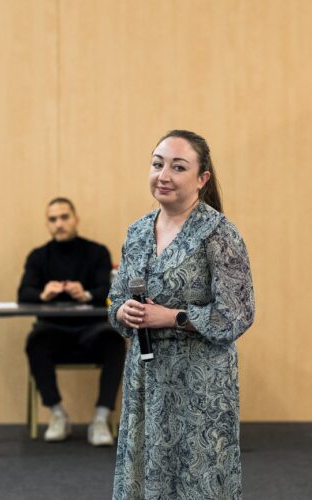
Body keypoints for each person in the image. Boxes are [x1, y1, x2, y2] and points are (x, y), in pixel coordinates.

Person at [108, 130, 255, 499]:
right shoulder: (137, 232)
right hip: (146, 378)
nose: (164, 175)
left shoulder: (219, 233)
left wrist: (172, 317)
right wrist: (122, 311)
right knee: (144, 472)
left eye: (178, 167)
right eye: (158, 164)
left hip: (200, 383)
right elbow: (116, 297)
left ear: (202, 179)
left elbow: (237, 314)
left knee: (198, 476)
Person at [18, 197, 126, 446]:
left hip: (92, 330)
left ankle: (100, 419)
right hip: (52, 331)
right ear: (47, 224)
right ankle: (58, 415)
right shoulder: (38, 256)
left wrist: (86, 294)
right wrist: (43, 294)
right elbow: (23, 293)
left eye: (64, 217)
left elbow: (108, 290)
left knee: (114, 341)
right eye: (53, 219)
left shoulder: (97, 252)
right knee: (36, 341)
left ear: (75, 220)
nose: (59, 224)